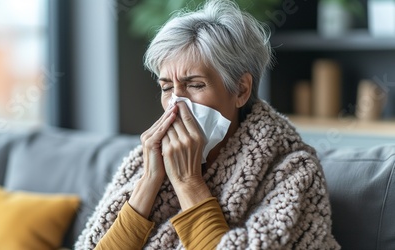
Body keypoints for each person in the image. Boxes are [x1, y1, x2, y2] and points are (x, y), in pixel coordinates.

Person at [75, 0, 340, 249]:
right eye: (167, 88)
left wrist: (188, 183)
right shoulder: (143, 160)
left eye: (195, 85)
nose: (177, 103)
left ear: (240, 90)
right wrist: (149, 181)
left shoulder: (293, 171)